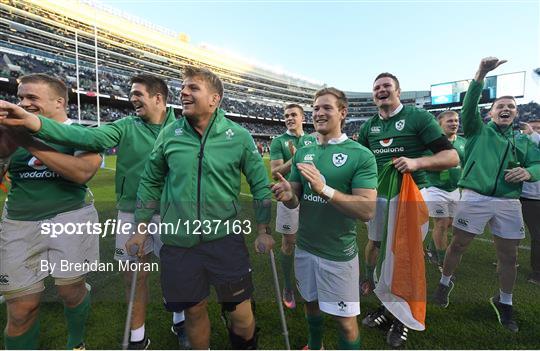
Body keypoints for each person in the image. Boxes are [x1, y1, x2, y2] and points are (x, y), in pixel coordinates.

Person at [0, 74, 185, 349]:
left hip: (173, 211)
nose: (131, 98)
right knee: (133, 277)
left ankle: (180, 317)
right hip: (130, 212)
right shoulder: (123, 125)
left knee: (178, 273)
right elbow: (89, 136)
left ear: (158, 98)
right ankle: (137, 338)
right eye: (21, 98)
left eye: (137, 93)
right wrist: (23, 133)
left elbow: (81, 170)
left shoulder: (185, 128)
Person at [128, 66, 273, 349]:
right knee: (194, 312)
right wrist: (141, 228)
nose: (183, 92)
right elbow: (150, 181)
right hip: (178, 243)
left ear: (214, 99)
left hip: (225, 242)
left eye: (193, 88)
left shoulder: (239, 136)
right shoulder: (170, 133)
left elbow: (260, 185)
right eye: (183, 87)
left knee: (241, 315)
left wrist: (263, 229)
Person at [432, 57, 540, 333]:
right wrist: (480, 73)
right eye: (500, 106)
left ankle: (504, 301)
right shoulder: (478, 131)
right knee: (458, 245)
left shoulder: (523, 141)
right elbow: (468, 106)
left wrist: (529, 173)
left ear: (516, 114)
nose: (506, 109)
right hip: (475, 197)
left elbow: (538, 164)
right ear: (490, 113)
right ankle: (445, 283)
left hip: (508, 201)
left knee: (509, 256)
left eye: (511, 106)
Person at [0, 73, 101, 349]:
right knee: (21, 308)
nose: (23, 103)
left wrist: (28, 139)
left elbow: (81, 173)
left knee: (70, 291)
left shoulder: (83, 133)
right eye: (20, 97)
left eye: (32, 98)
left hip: (70, 218)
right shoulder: (11, 129)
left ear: (59, 102)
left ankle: (76, 342)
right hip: (19, 223)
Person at [357, 72, 458, 347]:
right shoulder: (369, 127)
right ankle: (387, 307)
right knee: (378, 252)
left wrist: (417, 163)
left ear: (398, 91)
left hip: (412, 197)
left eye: (387, 86)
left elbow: (451, 156)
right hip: (379, 198)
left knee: (404, 257)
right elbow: (360, 161)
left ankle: (403, 319)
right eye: (376, 87)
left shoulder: (418, 118)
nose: (381, 90)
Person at [272, 87, 377, 350]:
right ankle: (314, 345)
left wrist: (325, 189)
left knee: (345, 323)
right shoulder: (305, 148)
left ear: (342, 113)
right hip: (305, 248)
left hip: (338, 255)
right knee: (311, 305)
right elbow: (296, 197)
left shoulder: (360, 155)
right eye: (316, 108)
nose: (319, 113)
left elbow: (367, 210)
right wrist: (288, 194)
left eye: (327, 108)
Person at [269, 103, 317, 309]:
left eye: (293, 115)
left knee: (313, 241)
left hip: (313, 197)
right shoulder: (279, 141)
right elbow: (275, 171)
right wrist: (295, 158)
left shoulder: (314, 138)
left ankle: (312, 282)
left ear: (302, 117)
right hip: (289, 196)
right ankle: (288, 286)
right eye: (286, 115)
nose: (289, 118)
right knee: (288, 242)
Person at [424, 110, 466, 269]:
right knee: (441, 224)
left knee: (449, 223)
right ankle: (443, 262)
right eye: (450, 121)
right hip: (435, 188)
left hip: (455, 189)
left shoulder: (463, 142)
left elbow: (466, 163)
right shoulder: (431, 143)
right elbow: (423, 163)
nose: (454, 123)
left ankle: (431, 248)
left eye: (456, 120)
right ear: (439, 124)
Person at [519, 119, 540, 285]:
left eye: (538, 129)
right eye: (533, 128)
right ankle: (537, 271)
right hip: (527, 197)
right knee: (514, 231)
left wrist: (532, 134)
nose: (535, 131)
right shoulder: (522, 145)